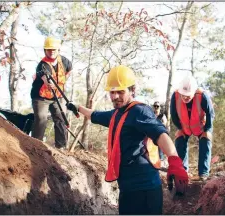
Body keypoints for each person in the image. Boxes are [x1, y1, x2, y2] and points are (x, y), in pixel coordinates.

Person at [66, 65, 188, 215]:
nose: (115, 96)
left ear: (132, 90)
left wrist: (174, 161)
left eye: (120, 91)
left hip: (145, 190)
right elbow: (94, 115)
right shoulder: (117, 114)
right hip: (127, 189)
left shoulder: (139, 111)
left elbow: (161, 134)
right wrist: (77, 107)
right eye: (112, 92)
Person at [30, 36, 72, 149]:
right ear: (45, 50)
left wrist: (62, 83)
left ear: (58, 50)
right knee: (41, 118)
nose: (52, 52)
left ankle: (61, 147)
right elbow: (45, 78)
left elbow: (69, 70)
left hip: (57, 96)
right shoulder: (42, 65)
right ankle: (36, 145)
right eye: (49, 49)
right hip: (41, 97)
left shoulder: (65, 61)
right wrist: (49, 84)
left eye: (54, 49)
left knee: (61, 117)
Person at [170, 75, 215, 181]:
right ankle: (182, 172)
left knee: (206, 140)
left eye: (188, 95)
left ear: (194, 92)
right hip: (184, 127)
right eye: (183, 94)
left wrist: (207, 129)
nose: (185, 97)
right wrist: (179, 128)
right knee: (179, 139)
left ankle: (203, 173)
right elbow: (173, 114)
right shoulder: (175, 96)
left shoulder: (202, 96)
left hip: (200, 126)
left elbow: (210, 114)